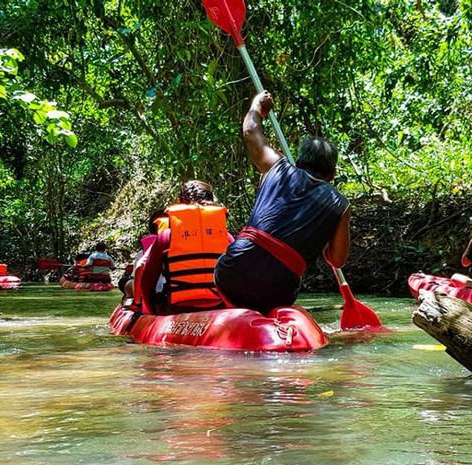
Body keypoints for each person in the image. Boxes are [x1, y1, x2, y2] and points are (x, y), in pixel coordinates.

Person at [213, 91, 351, 313]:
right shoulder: (340, 205)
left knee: (228, 270)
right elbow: (337, 260)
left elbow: (250, 131)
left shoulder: (279, 168)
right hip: (277, 293)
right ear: (332, 174)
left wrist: (257, 104)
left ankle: (228, 309)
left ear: (299, 161)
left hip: (232, 274)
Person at [138, 180, 233, 314]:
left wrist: (150, 315)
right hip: (220, 309)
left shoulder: (166, 238)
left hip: (177, 310)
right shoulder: (226, 237)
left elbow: (146, 283)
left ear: (181, 203)